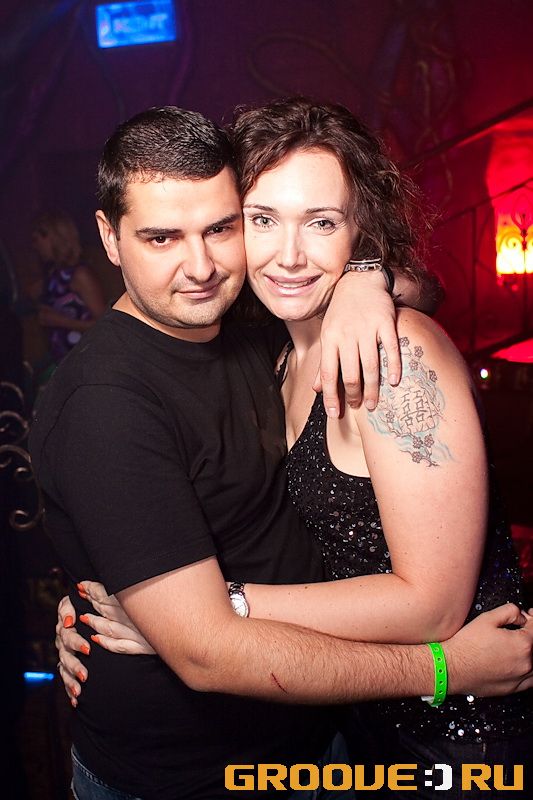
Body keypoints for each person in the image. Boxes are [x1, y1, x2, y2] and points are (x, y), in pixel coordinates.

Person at [33, 106, 533, 800]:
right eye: (263, 219)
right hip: (214, 767)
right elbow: (201, 644)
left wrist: (369, 280)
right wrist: (162, 611)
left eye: (320, 222)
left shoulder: (324, 339)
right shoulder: (122, 395)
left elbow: (430, 605)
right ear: (109, 238)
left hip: (439, 735)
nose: (202, 264)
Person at [31, 210, 105, 368]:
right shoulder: (53, 274)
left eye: (37, 240)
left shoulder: (80, 274)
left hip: (87, 361)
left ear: (54, 237)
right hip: (63, 362)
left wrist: (61, 321)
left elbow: (104, 324)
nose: (35, 246)